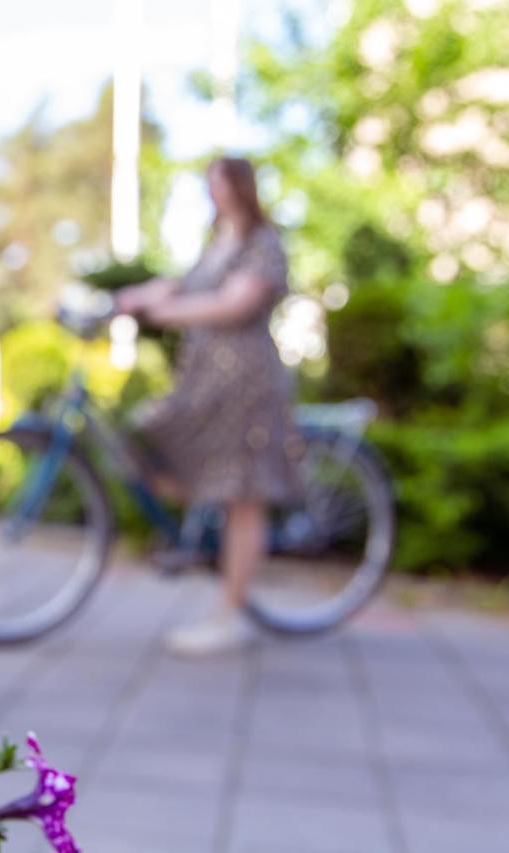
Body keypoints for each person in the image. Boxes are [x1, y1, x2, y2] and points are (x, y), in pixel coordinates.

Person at [115, 156, 301, 656]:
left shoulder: (262, 243)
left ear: (241, 187)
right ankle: (195, 538)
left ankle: (232, 614)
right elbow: (175, 285)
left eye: (221, 183)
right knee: (148, 436)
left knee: (243, 494)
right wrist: (123, 299)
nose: (214, 193)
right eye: (210, 184)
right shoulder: (215, 245)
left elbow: (234, 303)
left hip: (245, 385)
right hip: (203, 385)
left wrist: (167, 314)